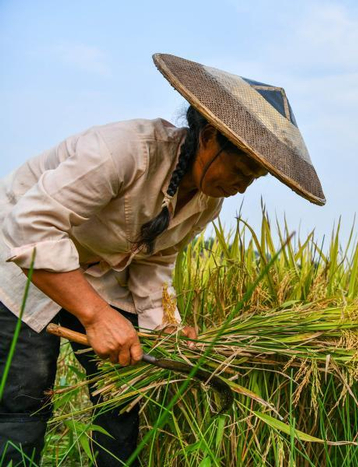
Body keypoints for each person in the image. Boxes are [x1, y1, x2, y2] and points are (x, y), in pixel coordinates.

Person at [0, 53, 325, 466]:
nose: (240, 188)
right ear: (208, 137)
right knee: (22, 401)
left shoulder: (208, 201)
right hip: (19, 265)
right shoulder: (123, 151)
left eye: (251, 179)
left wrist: (167, 329)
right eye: (240, 169)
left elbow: (155, 261)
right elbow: (32, 228)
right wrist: (97, 317)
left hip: (98, 271)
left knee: (123, 402)